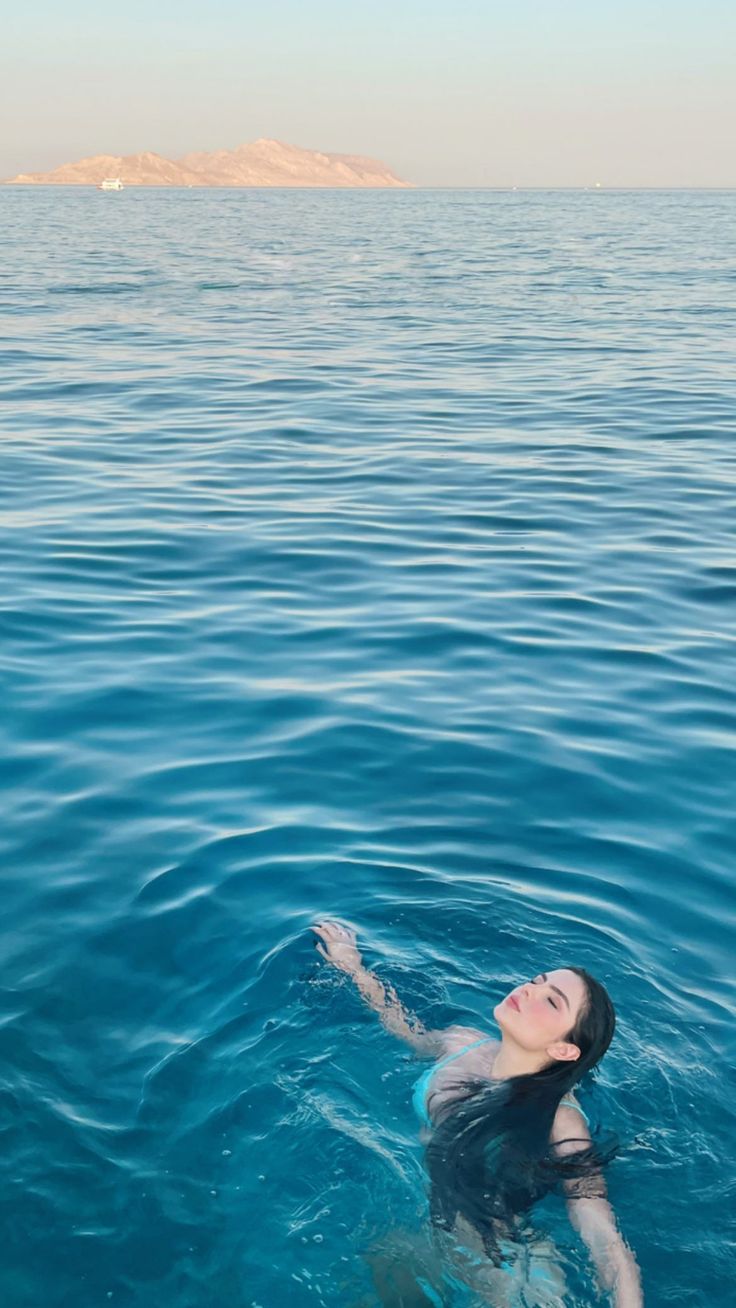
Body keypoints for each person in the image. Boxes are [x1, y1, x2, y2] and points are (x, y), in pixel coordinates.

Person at [311, 919, 643, 1307]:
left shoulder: (562, 1119)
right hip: (431, 1232)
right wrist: (352, 966)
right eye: (537, 980)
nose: (530, 990)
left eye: (552, 1001)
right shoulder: (462, 1042)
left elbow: (597, 1222)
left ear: (566, 1050)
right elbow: (401, 1025)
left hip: (504, 1268)